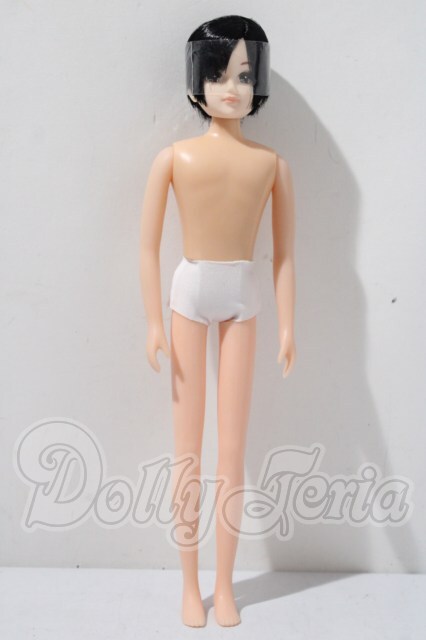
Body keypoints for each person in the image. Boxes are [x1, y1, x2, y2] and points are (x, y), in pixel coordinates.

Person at [139, 14, 296, 627]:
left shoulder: (272, 164)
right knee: (188, 450)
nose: (231, 88)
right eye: (219, 74)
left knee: (231, 449)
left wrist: (288, 326)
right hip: (190, 293)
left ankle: (224, 586)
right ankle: (189, 586)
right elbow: (147, 245)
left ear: (259, 83)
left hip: (243, 297)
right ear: (197, 80)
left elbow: (284, 254)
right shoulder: (173, 158)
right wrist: (153, 322)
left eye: (244, 75)